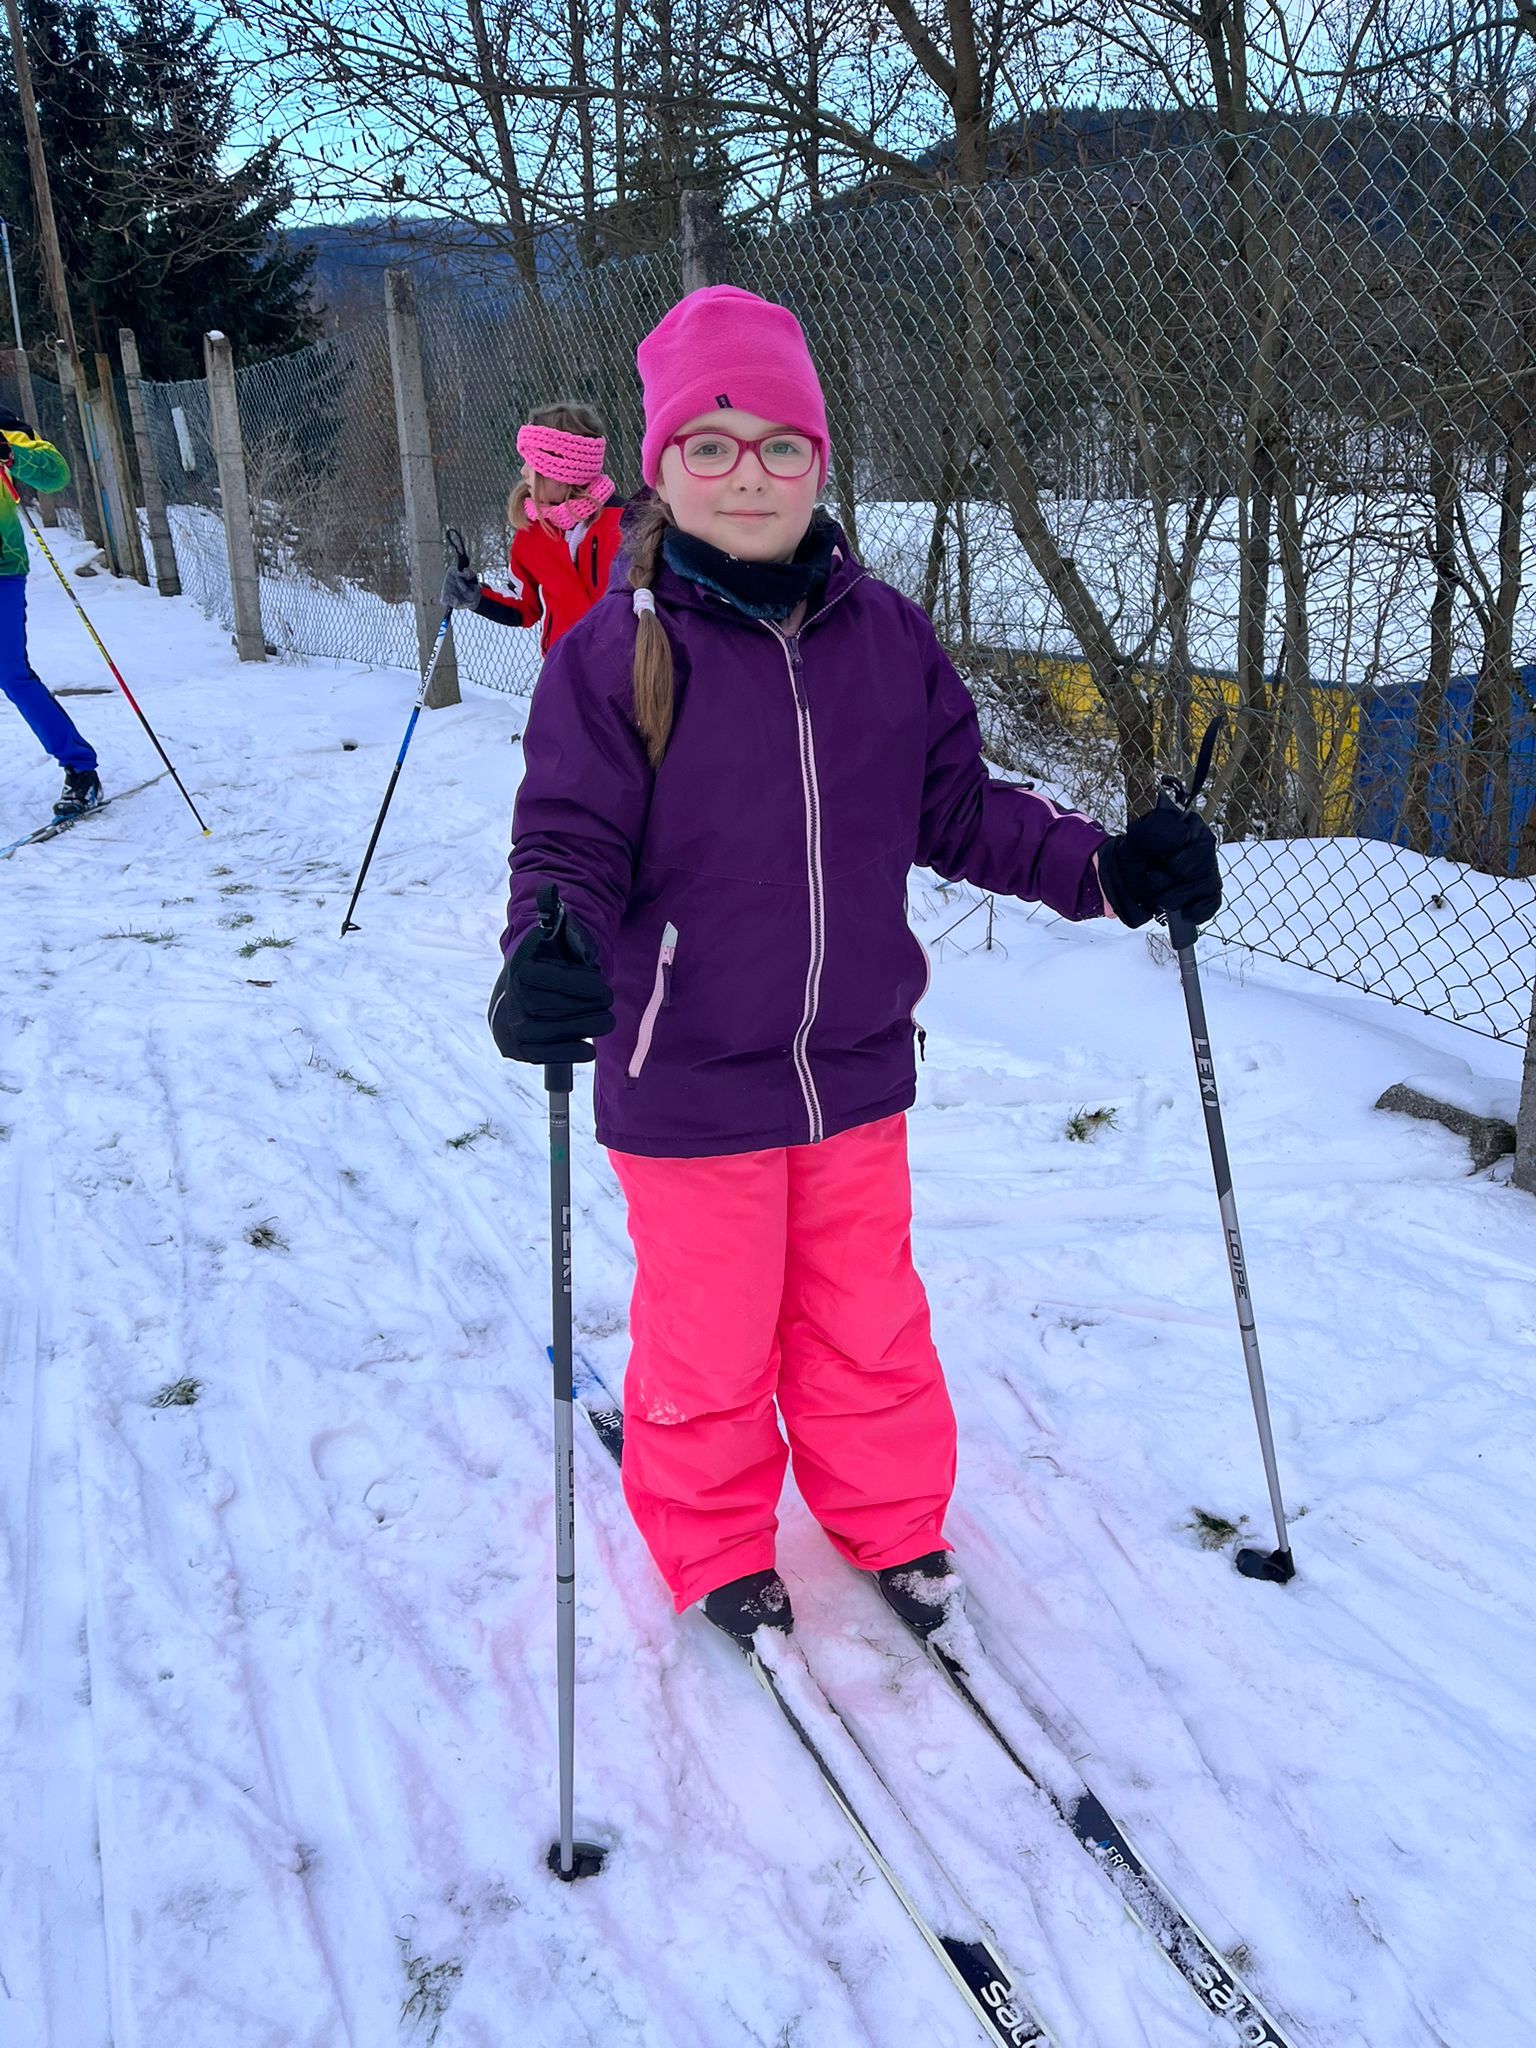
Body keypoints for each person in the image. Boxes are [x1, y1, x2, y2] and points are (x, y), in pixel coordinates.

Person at [488, 288, 1221, 1646]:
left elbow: (960, 810)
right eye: (711, 446)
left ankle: (889, 1518)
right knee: (713, 1332)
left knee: (865, 1321)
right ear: (660, 470)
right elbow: (570, 838)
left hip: (854, 1069)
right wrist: (551, 941)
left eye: (782, 444)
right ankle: (715, 1541)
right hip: (688, 1075)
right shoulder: (617, 651)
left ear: (820, 463)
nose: (748, 473)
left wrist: (1109, 870)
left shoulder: (885, 637)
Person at [441, 402, 624, 656]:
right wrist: (476, 597)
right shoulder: (532, 531)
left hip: (626, 664)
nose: (523, 471)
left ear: (562, 471)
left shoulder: (624, 524)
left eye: (532, 462)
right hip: (563, 665)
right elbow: (524, 605)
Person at [0, 407, 102, 819]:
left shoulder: (4, 426)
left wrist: (10, 454)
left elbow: (54, 474)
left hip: (2, 570)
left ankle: (80, 768)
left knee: (12, 674)